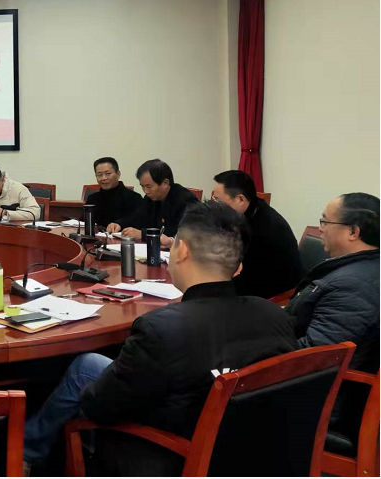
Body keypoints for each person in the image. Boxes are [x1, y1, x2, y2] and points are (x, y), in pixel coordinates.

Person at [23, 201, 296, 475]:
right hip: (255, 452)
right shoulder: (275, 316)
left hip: (172, 452)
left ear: (182, 251)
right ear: (237, 267)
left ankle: (22, 454)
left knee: (85, 373)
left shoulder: (160, 330)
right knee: (89, 365)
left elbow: (101, 408)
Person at [287, 193, 379, 374]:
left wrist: (260, 350)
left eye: (325, 222)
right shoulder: (359, 267)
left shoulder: (353, 288)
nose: (320, 229)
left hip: (312, 384)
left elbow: (315, 356)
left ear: (353, 232)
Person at [211, 170, 304, 298]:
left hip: (274, 292)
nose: (214, 206)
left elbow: (249, 277)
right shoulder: (251, 209)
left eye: (218, 201)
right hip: (252, 278)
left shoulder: (264, 229)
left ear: (240, 199)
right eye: (214, 199)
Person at [106, 159, 198, 248]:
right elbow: (137, 217)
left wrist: (143, 234)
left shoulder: (185, 200)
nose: (146, 191)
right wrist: (119, 224)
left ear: (165, 183)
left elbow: (175, 234)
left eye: (149, 186)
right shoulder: (150, 199)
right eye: (143, 187)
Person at [85, 157, 143, 228]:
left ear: (118, 174)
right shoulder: (92, 199)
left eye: (108, 173)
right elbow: (83, 223)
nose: (104, 178)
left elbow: (137, 222)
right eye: (99, 175)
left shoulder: (134, 198)